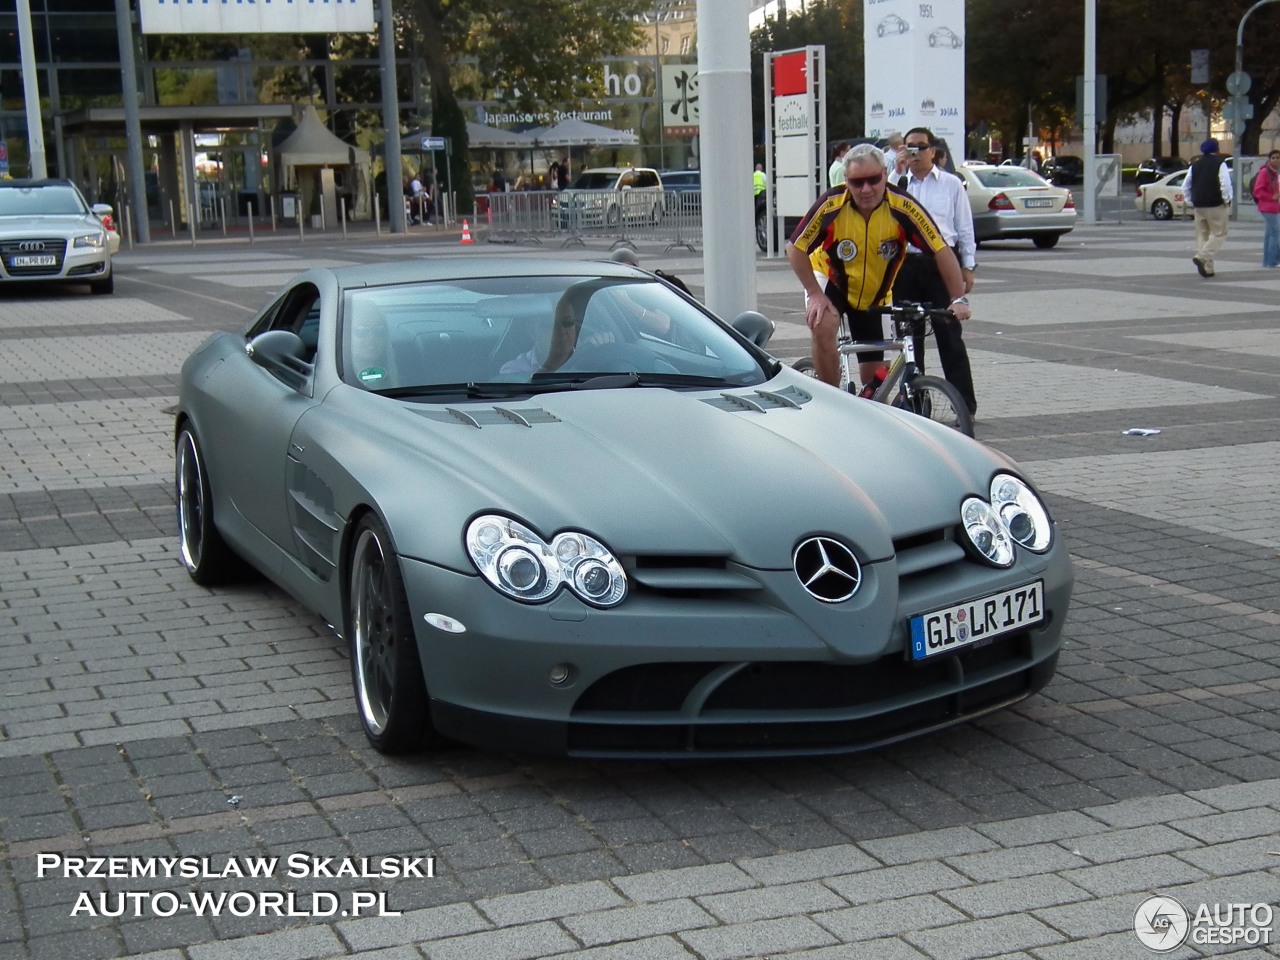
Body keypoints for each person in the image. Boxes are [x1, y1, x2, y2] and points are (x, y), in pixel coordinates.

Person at [786, 142, 971, 389]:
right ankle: (829, 400)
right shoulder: (832, 204)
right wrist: (815, 294)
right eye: (857, 182)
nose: (866, 189)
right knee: (822, 324)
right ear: (846, 180)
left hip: (874, 292)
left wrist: (958, 298)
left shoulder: (903, 206)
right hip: (832, 280)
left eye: (873, 180)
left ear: (886, 174)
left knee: (873, 381)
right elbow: (795, 248)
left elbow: (941, 249)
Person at [892, 127, 979, 416]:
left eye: (920, 146)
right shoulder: (898, 182)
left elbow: (965, 229)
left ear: (933, 151)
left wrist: (967, 267)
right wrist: (897, 170)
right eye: (909, 147)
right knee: (909, 338)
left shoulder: (951, 184)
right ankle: (915, 402)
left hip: (942, 264)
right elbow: (884, 206)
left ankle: (964, 403)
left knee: (949, 334)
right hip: (906, 265)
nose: (915, 152)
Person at [1184, 138, 1232, 277]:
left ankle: (1208, 268)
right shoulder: (1219, 163)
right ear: (1216, 149)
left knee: (1203, 236)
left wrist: (1190, 200)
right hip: (1215, 204)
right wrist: (1226, 199)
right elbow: (1225, 183)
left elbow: (1185, 185)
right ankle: (1202, 257)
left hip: (1199, 205)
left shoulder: (1195, 165)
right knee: (1219, 233)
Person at [1252, 150, 1280, 268]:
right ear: (1269, 159)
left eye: (1278, 158)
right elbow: (1257, 191)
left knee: (1269, 234)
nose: (1275, 160)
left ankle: (1267, 261)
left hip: (1273, 206)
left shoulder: (1274, 173)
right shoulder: (1265, 172)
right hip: (1267, 206)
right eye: (1273, 158)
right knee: (1275, 233)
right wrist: (1271, 197)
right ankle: (1273, 260)